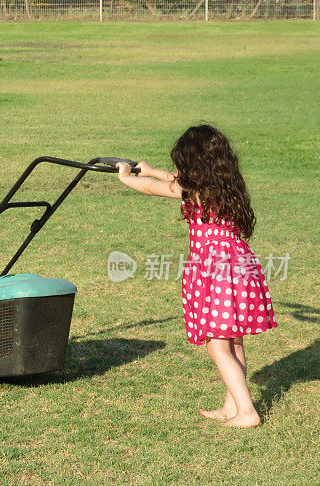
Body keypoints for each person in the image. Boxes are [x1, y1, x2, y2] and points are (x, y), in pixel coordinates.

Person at [115, 125, 277, 428]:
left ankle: (247, 412)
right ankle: (233, 406)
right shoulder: (225, 185)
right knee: (233, 341)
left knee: (217, 346)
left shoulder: (193, 190)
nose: (178, 169)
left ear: (195, 165)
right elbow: (174, 181)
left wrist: (127, 177)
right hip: (238, 264)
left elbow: (153, 188)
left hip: (214, 270)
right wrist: (152, 170)